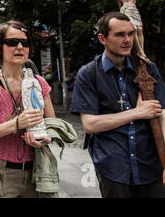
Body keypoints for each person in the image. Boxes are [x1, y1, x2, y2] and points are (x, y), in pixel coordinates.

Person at [71, 11, 165, 198]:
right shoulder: (89, 73)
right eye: (120, 34)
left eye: (130, 33)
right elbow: (90, 124)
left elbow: (162, 114)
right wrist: (137, 113)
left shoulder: (147, 69)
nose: (128, 40)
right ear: (102, 38)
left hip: (150, 165)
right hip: (113, 167)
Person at [0, 20, 55, 198]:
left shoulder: (39, 84)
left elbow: (52, 125)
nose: (20, 47)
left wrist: (43, 138)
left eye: (25, 42)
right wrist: (16, 124)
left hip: (35, 173)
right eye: (12, 42)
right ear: (0, 47)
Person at [81, 0, 161, 61]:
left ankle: (141, 50)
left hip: (134, 10)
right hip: (126, 10)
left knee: (139, 30)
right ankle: (140, 51)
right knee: (133, 28)